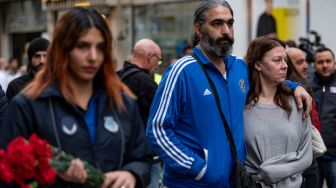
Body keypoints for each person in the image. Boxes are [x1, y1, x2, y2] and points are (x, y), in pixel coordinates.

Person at [146, 1, 312, 187]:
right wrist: (199, 168)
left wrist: (294, 86)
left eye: (230, 23)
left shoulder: (239, 68)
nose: (226, 30)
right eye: (217, 23)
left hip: (234, 182)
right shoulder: (181, 71)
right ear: (199, 29)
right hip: (191, 183)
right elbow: (158, 130)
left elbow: (267, 76)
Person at [0, 7, 150, 188]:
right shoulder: (28, 105)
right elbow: (7, 173)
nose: (93, 57)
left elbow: (141, 159)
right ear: (62, 50)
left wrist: (132, 173)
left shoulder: (122, 103)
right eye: (83, 46)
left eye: (100, 47)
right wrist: (51, 172)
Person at [244, 37, 312, 187]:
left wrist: (269, 172)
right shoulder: (241, 106)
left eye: (285, 60)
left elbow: (306, 156)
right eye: (277, 60)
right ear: (258, 64)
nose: (285, 66)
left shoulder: (297, 103)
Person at [118, 38, 162, 188]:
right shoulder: (146, 83)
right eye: (159, 60)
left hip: (121, 153)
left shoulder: (117, 77)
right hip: (146, 156)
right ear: (150, 57)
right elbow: (163, 117)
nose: (158, 66)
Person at [287, 47, 320, 188]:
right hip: (299, 160)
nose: (306, 66)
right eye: (300, 62)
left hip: (309, 156)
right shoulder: (290, 92)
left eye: (305, 61)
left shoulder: (301, 85)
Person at [310, 47, 336, 188]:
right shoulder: (307, 85)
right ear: (314, 64)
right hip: (313, 156)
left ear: (334, 63)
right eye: (320, 62)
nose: (325, 65)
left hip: (334, 155)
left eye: (328, 61)